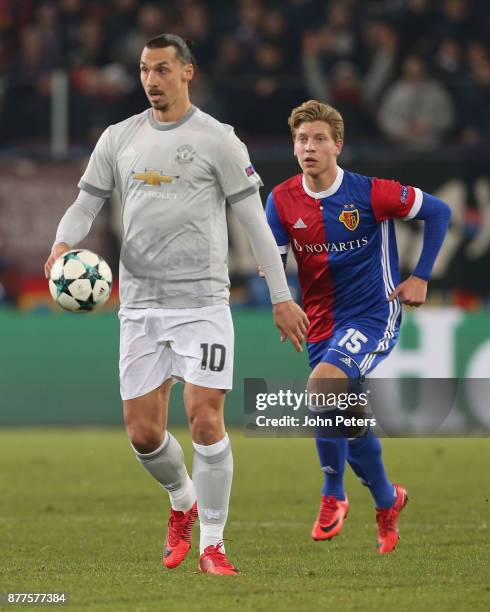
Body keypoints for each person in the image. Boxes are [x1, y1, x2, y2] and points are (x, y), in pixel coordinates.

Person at [44, 34, 309, 575]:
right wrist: (61, 243)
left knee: (205, 420)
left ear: (188, 72)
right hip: (141, 305)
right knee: (143, 433)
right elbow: (85, 202)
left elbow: (254, 221)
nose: (151, 80)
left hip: (203, 303)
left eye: (162, 70)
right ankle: (183, 501)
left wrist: (282, 297)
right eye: (144, 70)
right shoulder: (119, 138)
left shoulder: (218, 140)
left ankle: (214, 543)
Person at [265, 100, 451, 553]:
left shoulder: (371, 193)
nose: (309, 147)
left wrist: (421, 275)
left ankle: (333, 495)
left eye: (319, 139)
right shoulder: (282, 199)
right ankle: (388, 500)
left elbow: (440, 212)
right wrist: (281, 300)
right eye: (302, 139)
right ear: (294, 147)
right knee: (343, 416)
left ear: (337, 145)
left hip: (372, 313)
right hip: (320, 323)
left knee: (322, 388)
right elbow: (273, 260)